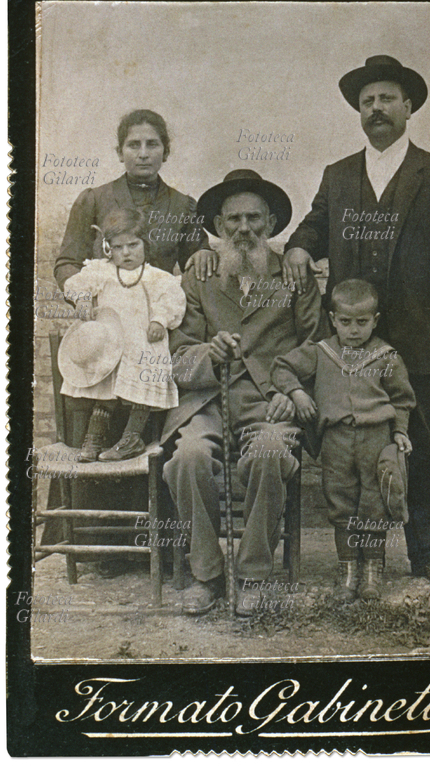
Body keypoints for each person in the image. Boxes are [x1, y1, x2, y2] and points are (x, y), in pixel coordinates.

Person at [281, 55, 430, 588]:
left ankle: (429, 554)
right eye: (367, 102)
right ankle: (363, 563)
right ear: (359, 112)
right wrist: (295, 247)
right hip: (349, 345)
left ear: (408, 106)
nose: (376, 108)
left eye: (386, 98)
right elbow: (314, 224)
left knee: (417, 445)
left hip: (415, 340)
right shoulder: (338, 175)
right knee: (353, 452)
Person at [161, 169, 328, 616]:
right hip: (208, 402)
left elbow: (319, 346)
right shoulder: (199, 277)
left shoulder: (295, 276)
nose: (244, 229)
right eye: (233, 219)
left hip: (271, 402)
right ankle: (207, 575)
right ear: (217, 227)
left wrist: (289, 390)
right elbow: (177, 356)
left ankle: (253, 574)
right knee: (187, 459)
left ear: (271, 224)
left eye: (254, 218)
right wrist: (207, 353)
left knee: (270, 454)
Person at [272, 279, 416, 601]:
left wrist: (400, 432)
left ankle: (372, 573)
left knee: (375, 503)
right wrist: (296, 393)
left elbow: (402, 399)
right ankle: (348, 570)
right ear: (333, 319)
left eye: (362, 323)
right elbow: (281, 367)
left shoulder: (386, 356)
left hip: (376, 439)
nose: (353, 330)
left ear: (375, 320)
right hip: (336, 441)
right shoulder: (321, 353)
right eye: (346, 322)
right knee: (341, 504)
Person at [59, 208, 186, 462]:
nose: (126, 253)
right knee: (104, 392)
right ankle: (94, 439)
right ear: (108, 249)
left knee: (141, 389)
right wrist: (83, 299)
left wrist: (159, 320)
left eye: (133, 245)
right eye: (118, 247)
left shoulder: (156, 277)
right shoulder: (103, 272)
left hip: (143, 342)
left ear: (145, 245)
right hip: (110, 341)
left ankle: (132, 438)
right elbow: (75, 284)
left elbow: (171, 299)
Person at [54, 109, 217, 291]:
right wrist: (84, 298)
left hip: (161, 313)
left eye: (152, 144)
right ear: (120, 153)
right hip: (105, 311)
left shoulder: (183, 206)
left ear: (166, 152)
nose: (143, 154)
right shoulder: (94, 200)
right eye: (134, 145)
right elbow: (67, 263)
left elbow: (197, 262)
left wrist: (204, 254)